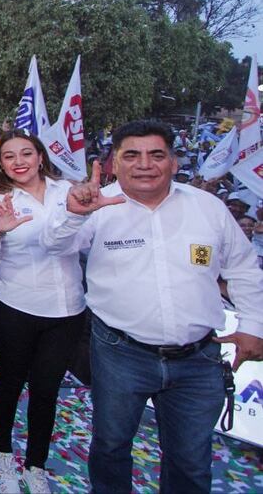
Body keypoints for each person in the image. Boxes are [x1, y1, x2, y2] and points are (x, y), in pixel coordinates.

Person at [41, 120, 263, 493]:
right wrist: (75, 213)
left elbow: (243, 269)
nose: (144, 164)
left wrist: (254, 325)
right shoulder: (99, 207)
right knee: (111, 448)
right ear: (114, 163)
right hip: (120, 355)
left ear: (173, 162)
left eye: (156, 155)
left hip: (198, 360)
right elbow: (53, 246)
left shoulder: (208, 209)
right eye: (132, 155)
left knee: (191, 462)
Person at [0, 132, 85, 493]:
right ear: (0, 164)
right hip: (14, 307)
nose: (18, 162)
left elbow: (84, 240)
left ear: (39, 156)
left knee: (46, 389)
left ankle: (36, 465)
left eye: (25, 154)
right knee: (9, 383)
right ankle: (3, 455)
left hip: (66, 310)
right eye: (8, 156)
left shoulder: (68, 192)